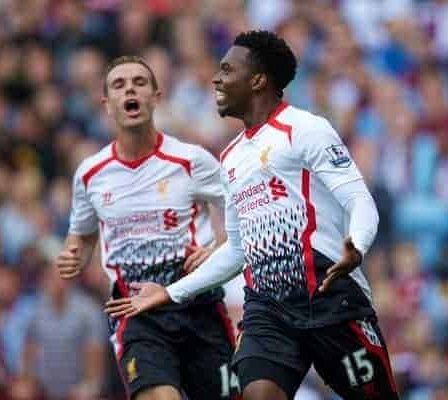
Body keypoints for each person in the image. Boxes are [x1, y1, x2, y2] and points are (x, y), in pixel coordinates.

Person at [106, 31, 400, 400]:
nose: (217, 78)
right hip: (269, 311)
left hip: (331, 298)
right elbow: (237, 251)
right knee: (257, 393)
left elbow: (360, 200)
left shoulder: (305, 129)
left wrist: (356, 245)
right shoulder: (229, 158)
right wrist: (170, 293)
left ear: (258, 79)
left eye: (228, 70)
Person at [56, 55, 239, 400]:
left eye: (140, 82)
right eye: (119, 84)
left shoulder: (191, 160)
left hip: (198, 306)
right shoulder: (91, 174)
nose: (130, 90)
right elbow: (80, 235)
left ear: (156, 97)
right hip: (137, 313)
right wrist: (73, 255)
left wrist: (218, 248)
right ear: (107, 104)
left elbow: (239, 205)